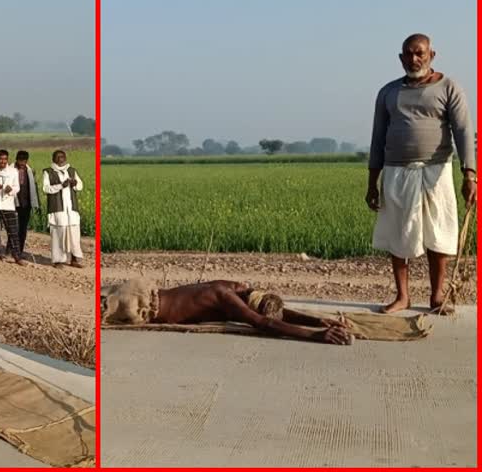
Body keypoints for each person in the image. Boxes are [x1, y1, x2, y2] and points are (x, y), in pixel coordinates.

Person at [367, 33, 476, 315]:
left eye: (420, 53)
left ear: (432, 55)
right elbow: (378, 137)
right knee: (399, 232)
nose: (414, 59)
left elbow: (463, 131)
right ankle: (402, 296)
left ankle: (437, 296)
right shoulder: (388, 92)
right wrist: (372, 182)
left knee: (438, 232)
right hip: (396, 170)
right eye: (409, 54)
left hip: (436, 170)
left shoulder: (449, 87)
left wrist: (470, 173)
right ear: (401, 58)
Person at [101, 278, 352, 345]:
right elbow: (264, 323)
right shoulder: (226, 296)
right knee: (98, 307)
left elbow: (274, 313)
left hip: (144, 292)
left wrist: (317, 320)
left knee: (100, 297)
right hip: (140, 305)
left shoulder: (233, 288)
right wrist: (315, 335)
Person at [42, 150, 84, 268]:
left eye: (62, 156)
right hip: (57, 209)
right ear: (53, 158)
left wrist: (74, 183)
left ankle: (74, 259)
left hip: (71, 209)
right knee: (59, 234)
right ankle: (58, 260)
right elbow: (46, 189)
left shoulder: (71, 170)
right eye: (58, 156)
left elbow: (80, 186)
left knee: (74, 234)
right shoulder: (48, 172)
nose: (61, 158)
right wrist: (61, 186)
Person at [7, 150, 40, 257]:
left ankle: (18, 251)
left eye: (24, 161)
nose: (22, 163)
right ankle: (10, 249)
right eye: (20, 160)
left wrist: (37, 203)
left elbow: (34, 188)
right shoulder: (10, 171)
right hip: (13, 203)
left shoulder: (30, 171)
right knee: (13, 228)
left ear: (27, 161)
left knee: (23, 229)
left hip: (26, 204)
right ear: (16, 160)